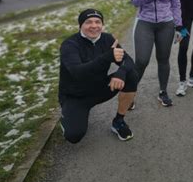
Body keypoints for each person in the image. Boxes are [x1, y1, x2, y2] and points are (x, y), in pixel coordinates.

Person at [59, 9, 138, 143]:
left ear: (102, 24)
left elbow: (128, 60)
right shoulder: (70, 45)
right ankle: (67, 117)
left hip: (99, 88)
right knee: (73, 136)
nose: (94, 26)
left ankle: (118, 121)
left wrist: (121, 72)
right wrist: (107, 57)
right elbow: (78, 73)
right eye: (88, 22)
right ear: (80, 26)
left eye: (98, 22)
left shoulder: (107, 39)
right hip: (76, 96)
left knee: (131, 74)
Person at [131, 0, 183, 107]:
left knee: (163, 59)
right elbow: (134, 1)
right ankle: (129, 93)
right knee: (141, 60)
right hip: (145, 22)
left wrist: (179, 25)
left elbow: (176, 3)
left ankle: (163, 92)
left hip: (165, 23)